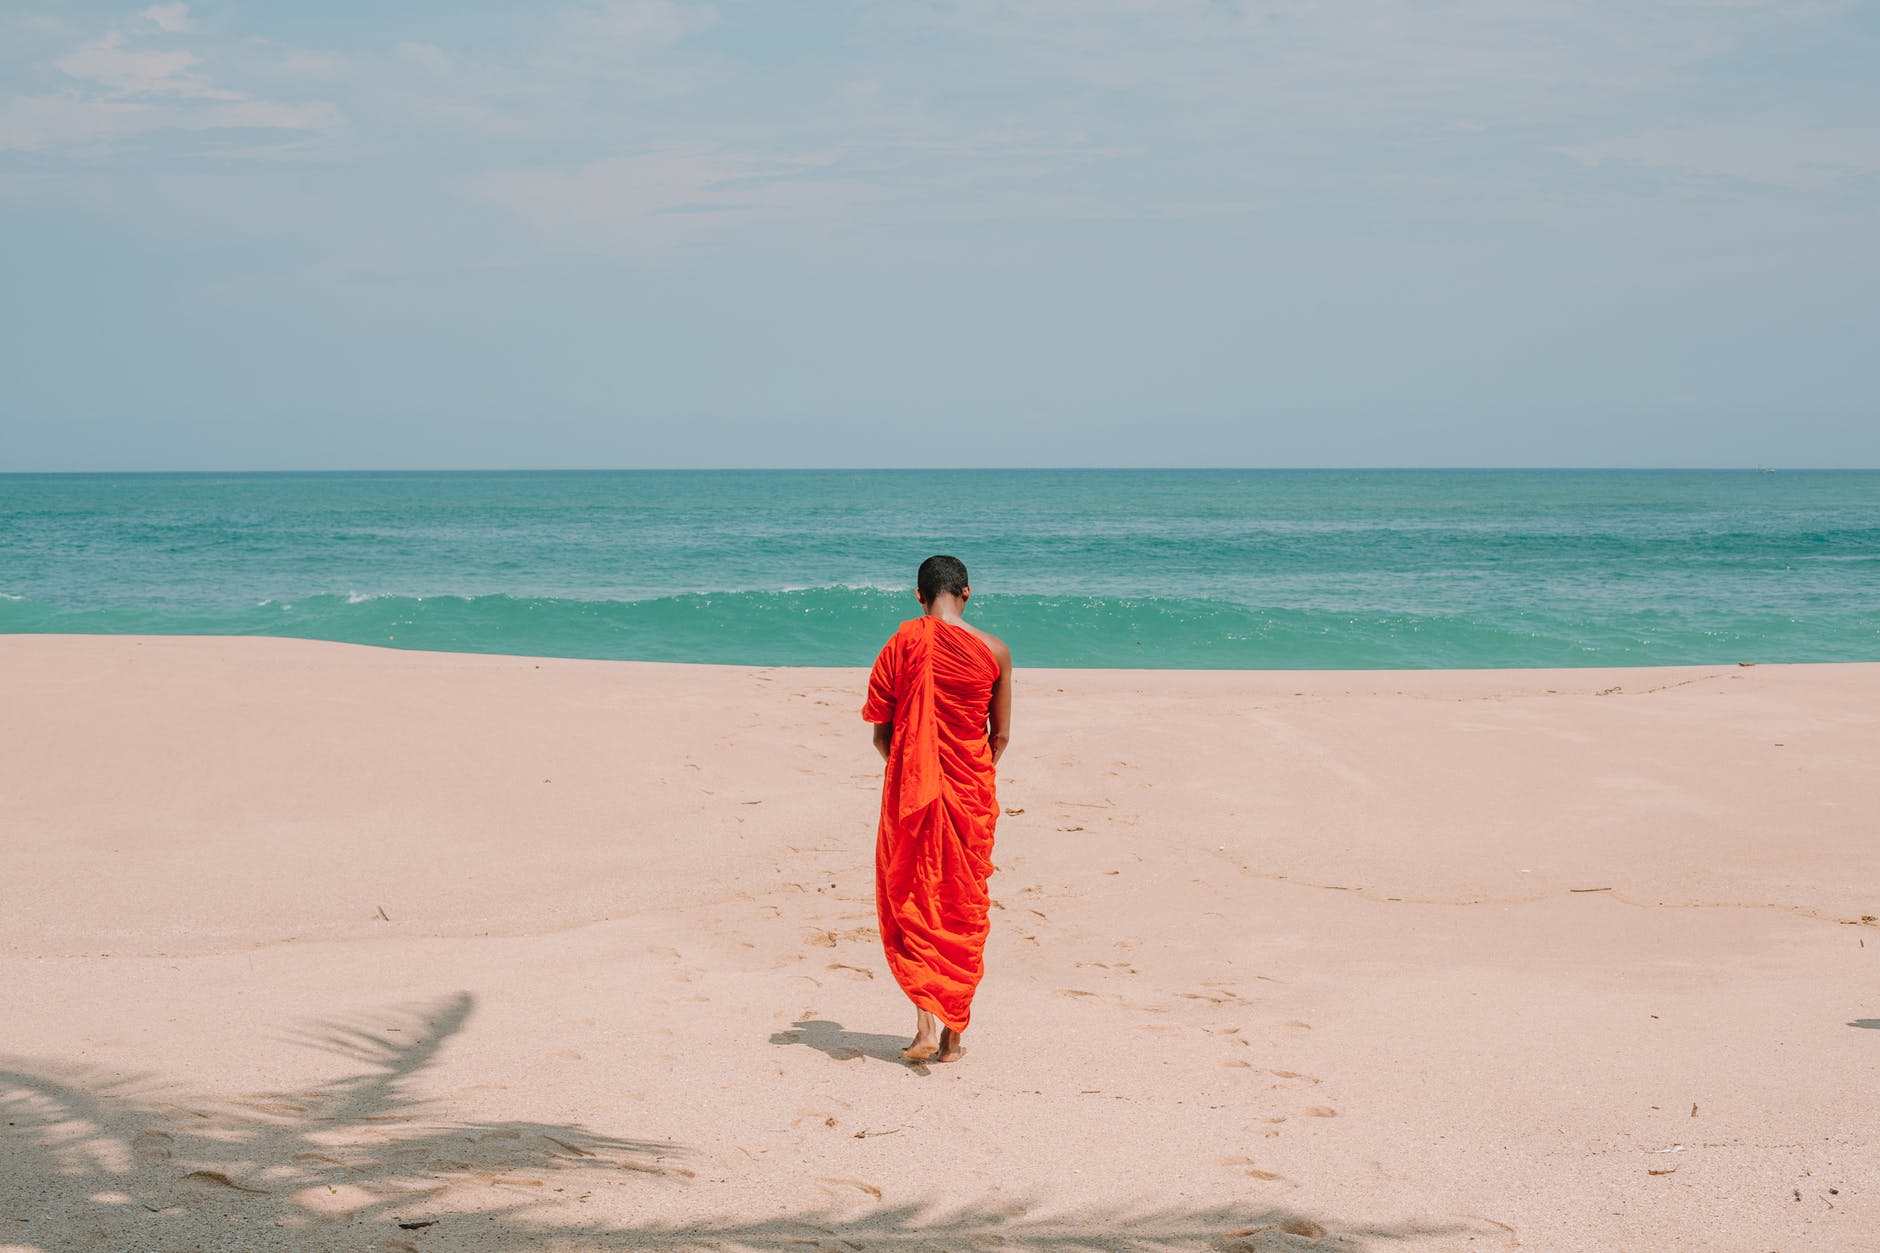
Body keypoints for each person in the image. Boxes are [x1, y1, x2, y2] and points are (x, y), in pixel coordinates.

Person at [862, 555, 1013, 1063]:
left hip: (911, 793)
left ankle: (925, 1026)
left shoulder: (902, 642)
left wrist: (915, 769)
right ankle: (952, 1036)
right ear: (967, 592)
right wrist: (967, 774)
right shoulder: (995, 650)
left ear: (918, 595)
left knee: (914, 896)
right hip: (969, 793)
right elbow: (1002, 735)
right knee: (961, 903)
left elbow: (882, 732)